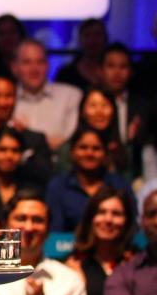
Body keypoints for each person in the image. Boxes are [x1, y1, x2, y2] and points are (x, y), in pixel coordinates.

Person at [45, 125, 135, 232]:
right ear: (72, 152)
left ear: (105, 154)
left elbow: (131, 227)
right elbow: (55, 232)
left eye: (96, 148)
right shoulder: (58, 186)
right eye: (83, 148)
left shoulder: (119, 185)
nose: (89, 153)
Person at [64, 186, 136, 295]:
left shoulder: (138, 262)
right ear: (91, 218)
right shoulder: (75, 264)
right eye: (101, 212)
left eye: (116, 214)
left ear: (127, 220)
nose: (108, 220)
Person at [11, 39, 82, 153]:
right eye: (27, 62)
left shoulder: (71, 96)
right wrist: (44, 143)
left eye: (40, 62)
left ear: (48, 65)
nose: (34, 69)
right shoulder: (5, 99)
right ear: (14, 67)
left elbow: (70, 142)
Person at [100, 42, 153, 176]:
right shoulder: (91, 105)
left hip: (136, 174)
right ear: (100, 70)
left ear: (131, 71)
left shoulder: (145, 107)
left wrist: (134, 141)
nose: (117, 73)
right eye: (111, 66)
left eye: (123, 67)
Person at [54, 18, 107, 92]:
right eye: (87, 35)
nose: (92, 40)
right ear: (79, 40)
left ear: (105, 38)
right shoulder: (65, 74)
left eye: (97, 35)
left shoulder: (114, 74)